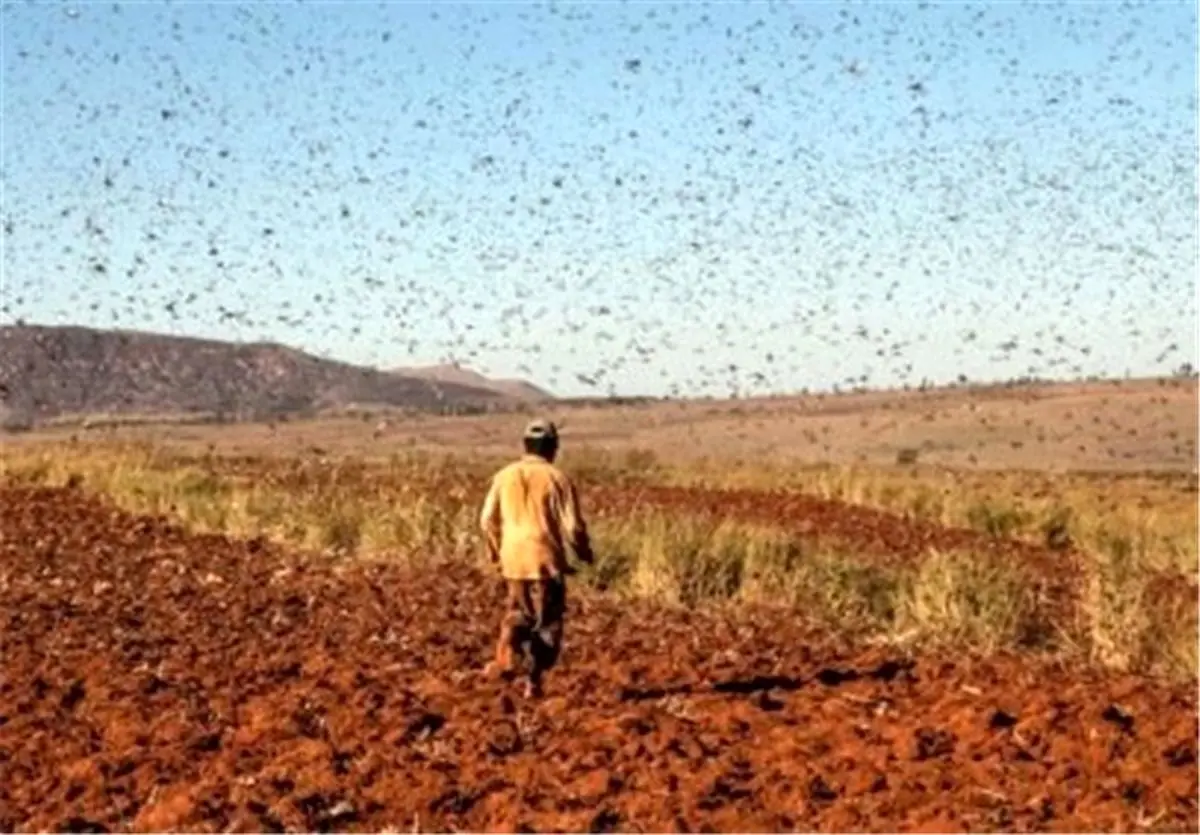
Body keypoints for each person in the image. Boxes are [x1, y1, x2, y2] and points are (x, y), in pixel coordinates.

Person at [479, 418, 594, 698]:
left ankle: (512, 633)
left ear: (525, 445)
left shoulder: (504, 475)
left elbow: (486, 521)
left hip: (513, 558)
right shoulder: (558, 478)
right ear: (553, 447)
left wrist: (496, 551)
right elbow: (573, 527)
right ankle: (533, 682)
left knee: (519, 607)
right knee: (548, 624)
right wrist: (583, 552)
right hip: (546, 558)